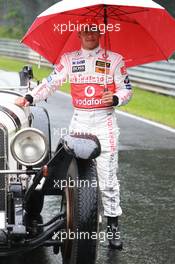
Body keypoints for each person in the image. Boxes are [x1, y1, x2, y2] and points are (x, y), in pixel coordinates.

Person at [15, 18, 132, 250]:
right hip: (79, 121)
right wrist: (29, 98)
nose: (90, 35)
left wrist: (117, 98)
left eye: (94, 31)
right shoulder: (69, 59)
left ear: (100, 33)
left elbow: (126, 89)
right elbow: (50, 83)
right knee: (74, 175)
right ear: (79, 34)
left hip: (105, 122)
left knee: (108, 178)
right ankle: (71, 218)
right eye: (85, 31)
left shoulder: (115, 59)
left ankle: (112, 227)